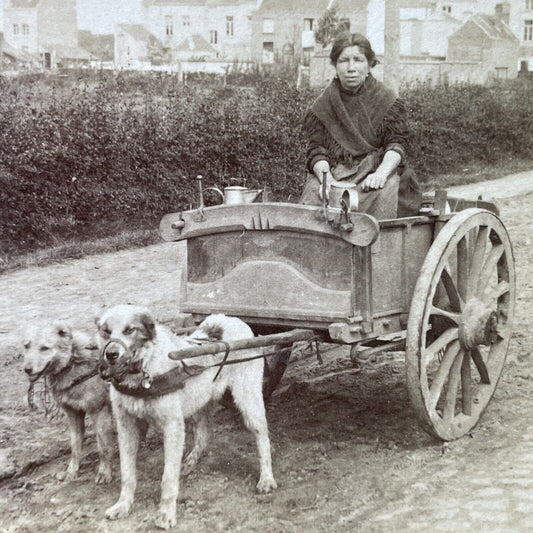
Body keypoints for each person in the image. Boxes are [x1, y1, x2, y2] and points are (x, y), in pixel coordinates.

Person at [300, 31, 421, 218]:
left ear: (369, 65)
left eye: (358, 60)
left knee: (382, 194)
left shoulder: (387, 101)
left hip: (375, 171)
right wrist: (327, 181)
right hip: (336, 174)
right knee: (314, 195)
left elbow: (397, 143)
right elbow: (317, 149)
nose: (351, 68)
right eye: (343, 60)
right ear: (334, 65)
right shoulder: (323, 105)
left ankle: (375, 247)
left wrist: (381, 173)